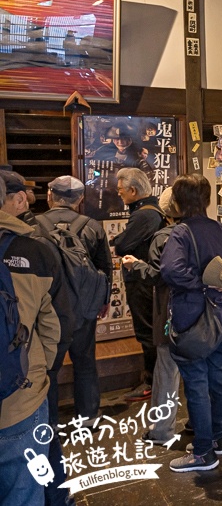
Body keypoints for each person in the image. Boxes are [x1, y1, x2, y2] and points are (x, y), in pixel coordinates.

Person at [0, 171, 77, 506]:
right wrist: (40, 368)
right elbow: (56, 321)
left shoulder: (39, 234)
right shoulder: (34, 249)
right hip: (20, 392)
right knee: (23, 484)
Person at [160, 174, 222, 472]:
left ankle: (202, 453)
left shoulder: (181, 233)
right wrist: (221, 282)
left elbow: (171, 270)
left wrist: (200, 284)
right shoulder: (219, 229)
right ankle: (218, 439)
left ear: (178, 201)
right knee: (218, 380)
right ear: (207, 200)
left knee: (196, 383)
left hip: (193, 318)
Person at [40, 176, 113, 426]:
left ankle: (46, 421)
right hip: (83, 308)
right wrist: (103, 301)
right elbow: (105, 266)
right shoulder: (92, 226)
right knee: (84, 361)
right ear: (80, 199)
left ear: (50, 196)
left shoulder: (34, 226)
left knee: (47, 368)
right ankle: (88, 415)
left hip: (47, 309)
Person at [121, 188, 181, 445]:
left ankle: (161, 431)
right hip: (204, 315)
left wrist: (137, 265)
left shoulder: (164, 237)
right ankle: (211, 432)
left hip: (171, 313)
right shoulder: (210, 231)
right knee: (201, 375)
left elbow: (159, 275)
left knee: (166, 369)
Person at [110, 168, 166, 401]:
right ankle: (154, 380)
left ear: (133, 190)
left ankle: (152, 383)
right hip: (145, 280)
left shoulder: (144, 214)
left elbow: (122, 246)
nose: (119, 194)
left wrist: (118, 241)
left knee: (147, 332)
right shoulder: (150, 211)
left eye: (121, 190)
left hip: (143, 281)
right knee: (149, 330)